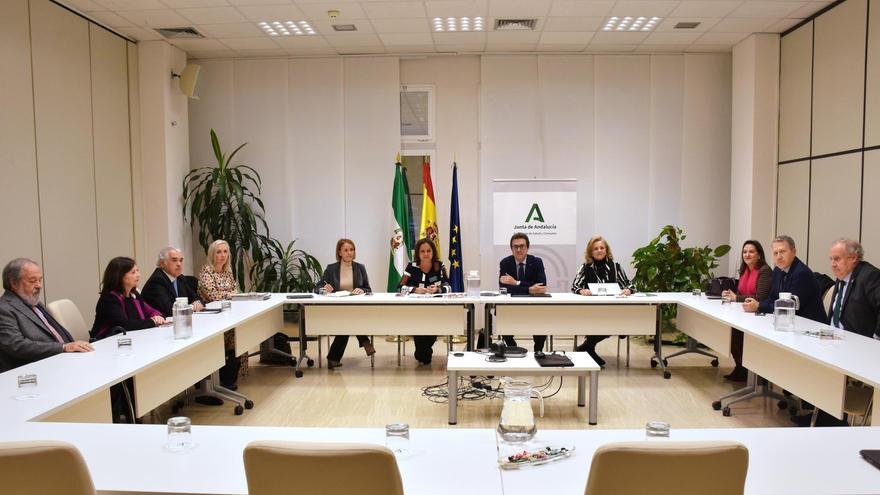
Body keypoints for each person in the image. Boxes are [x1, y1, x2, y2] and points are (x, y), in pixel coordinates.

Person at [0, 258, 93, 373]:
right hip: (34, 371)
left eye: (40, 280)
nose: (39, 285)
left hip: (61, 361)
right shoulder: (4, 308)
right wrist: (63, 347)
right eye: (33, 281)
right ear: (14, 283)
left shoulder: (33, 302)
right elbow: (16, 345)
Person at [570, 236, 635, 367]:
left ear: (606, 250)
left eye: (601, 248)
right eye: (595, 249)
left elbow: (630, 285)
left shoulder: (616, 267)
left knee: (614, 321)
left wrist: (628, 290)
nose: (599, 250)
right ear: (590, 252)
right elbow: (574, 286)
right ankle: (588, 348)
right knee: (604, 321)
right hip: (591, 310)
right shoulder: (585, 268)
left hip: (613, 309)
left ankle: (586, 346)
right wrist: (582, 291)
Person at [316, 238, 375, 369]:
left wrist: (362, 290)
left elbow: (368, 289)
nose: (349, 253)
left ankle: (333, 358)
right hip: (338, 307)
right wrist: (324, 289)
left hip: (355, 306)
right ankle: (364, 341)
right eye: (346, 250)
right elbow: (318, 286)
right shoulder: (331, 269)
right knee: (348, 320)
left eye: (352, 250)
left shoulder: (360, 268)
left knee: (347, 322)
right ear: (340, 252)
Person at [720, 240, 772, 381]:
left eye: (751, 251)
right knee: (731, 332)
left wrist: (737, 298)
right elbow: (740, 292)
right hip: (745, 313)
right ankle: (740, 367)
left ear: (759, 255)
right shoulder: (744, 270)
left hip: (760, 316)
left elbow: (760, 297)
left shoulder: (764, 271)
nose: (747, 254)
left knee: (736, 334)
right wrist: (731, 295)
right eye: (744, 252)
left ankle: (749, 370)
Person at [742, 235, 826, 323]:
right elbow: (773, 297)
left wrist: (759, 306)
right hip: (789, 321)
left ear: (794, 252)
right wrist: (756, 304)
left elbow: (789, 306)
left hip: (811, 325)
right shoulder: (777, 270)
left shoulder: (801, 273)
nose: (778, 257)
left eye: (782, 252)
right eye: (775, 253)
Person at [198, 239, 246, 389]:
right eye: (219, 252)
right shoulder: (206, 272)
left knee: (241, 331)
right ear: (212, 254)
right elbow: (213, 296)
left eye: (225, 252)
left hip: (228, 313)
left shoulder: (227, 272)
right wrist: (228, 294)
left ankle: (231, 375)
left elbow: (235, 292)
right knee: (233, 333)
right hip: (211, 318)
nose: (222, 255)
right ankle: (223, 377)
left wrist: (226, 294)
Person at [399, 238, 451, 365]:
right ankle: (423, 352)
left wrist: (438, 289)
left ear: (433, 252)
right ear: (418, 253)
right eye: (422, 251)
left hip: (436, 309)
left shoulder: (439, 265)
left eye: (428, 251)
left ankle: (422, 351)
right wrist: (414, 290)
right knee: (424, 353)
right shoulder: (411, 267)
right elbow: (399, 287)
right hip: (416, 310)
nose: (426, 254)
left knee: (423, 354)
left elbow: (449, 286)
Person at [91, 257, 166, 340]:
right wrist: (152, 321)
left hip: (131, 339)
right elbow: (124, 325)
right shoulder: (109, 299)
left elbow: (151, 311)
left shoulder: (134, 294)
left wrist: (158, 317)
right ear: (119, 276)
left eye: (137, 271)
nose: (138, 275)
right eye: (133, 272)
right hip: (105, 342)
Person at [498, 232, 548, 352]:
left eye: (522, 246)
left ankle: (538, 351)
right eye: (515, 246)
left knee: (541, 321)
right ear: (511, 248)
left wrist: (516, 283)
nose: (519, 249)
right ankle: (513, 347)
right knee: (501, 315)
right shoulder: (505, 263)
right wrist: (529, 289)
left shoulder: (537, 262)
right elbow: (503, 288)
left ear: (527, 248)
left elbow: (541, 286)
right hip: (511, 306)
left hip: (534, 306)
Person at [827, 239, 880, 338]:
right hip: (833, 337)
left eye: (837, 259)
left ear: (854, 258)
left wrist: (876, 338)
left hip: (859, 343)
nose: (833, 264)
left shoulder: (870, 276)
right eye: (831, 259)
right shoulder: (842, 274)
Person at [141, 247, 204, 317]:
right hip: (159, 325)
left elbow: (196, 298)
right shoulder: (157, 281)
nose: (179, 264)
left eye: (181, 260)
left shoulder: (180, 278)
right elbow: (169, 310)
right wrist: (192, 307)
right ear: (162, 263)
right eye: (174, 260)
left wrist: (197, 302)